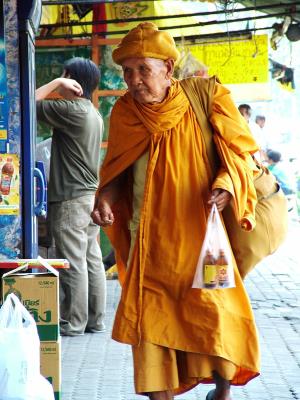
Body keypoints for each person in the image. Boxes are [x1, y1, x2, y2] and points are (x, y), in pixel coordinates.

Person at [92, 23, 260, 400]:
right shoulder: (124, 113)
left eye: (144, 70)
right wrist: (105, 198)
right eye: (128, 71)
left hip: (202, 239)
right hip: (149, 245)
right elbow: (118, 168)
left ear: (168, 69)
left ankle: (221, 390)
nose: (134, 80)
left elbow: (241, 152)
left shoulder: (206, 96)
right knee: (152, 329)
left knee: (215, 315)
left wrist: (226, 184)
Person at [36, 57, 106, 337]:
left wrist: (55, 83)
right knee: (91, 259)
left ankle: (73, 323)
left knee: (72, 261)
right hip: (88, 196)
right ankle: (94, 320)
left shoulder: (71, 109)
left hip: (70, 198)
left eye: (64, 75)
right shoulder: (91, 111)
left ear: (72, 79)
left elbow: (24, 102)